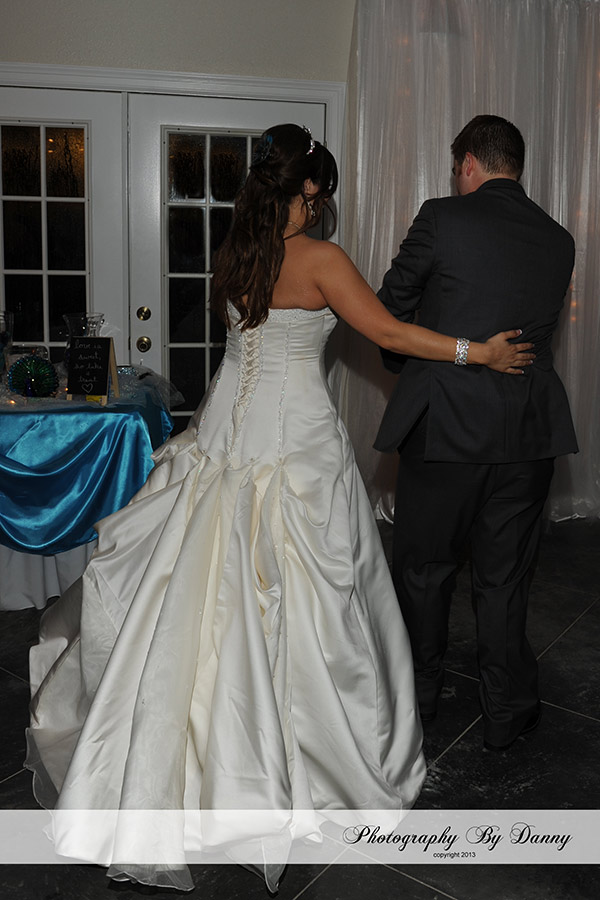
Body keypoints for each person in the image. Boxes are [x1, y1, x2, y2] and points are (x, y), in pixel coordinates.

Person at [25, 123, 533, 891]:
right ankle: (297, 761)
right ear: (304, 190)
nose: (319, 206)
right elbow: (389, 331)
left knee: (196, 599)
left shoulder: (236, 256)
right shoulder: (322, 260)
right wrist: (479, 352)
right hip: (295, 448)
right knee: (307, 602)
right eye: (317, 194)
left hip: (225, 437)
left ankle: (184, 761)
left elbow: (239, 357)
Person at [375, 115, 578, 752]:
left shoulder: (441, 218)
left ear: (468, 163)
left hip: (446, 428)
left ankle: (420, 697)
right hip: (528, 434)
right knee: (506, 577)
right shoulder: (559, 238)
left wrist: (408, 364)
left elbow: (389, 310)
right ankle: (506, 709)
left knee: (426, 571)